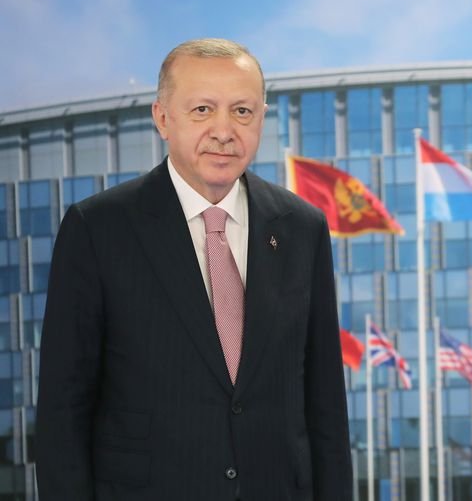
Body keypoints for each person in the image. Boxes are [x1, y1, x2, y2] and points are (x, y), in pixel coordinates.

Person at [36, 38, 352, 500]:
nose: (224, 131)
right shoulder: (97, 228)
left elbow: (326, 408)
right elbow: (63, 411)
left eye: (242, 111)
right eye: (203, 109)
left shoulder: (303, 227)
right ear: (163, 117)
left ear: (261, 117)